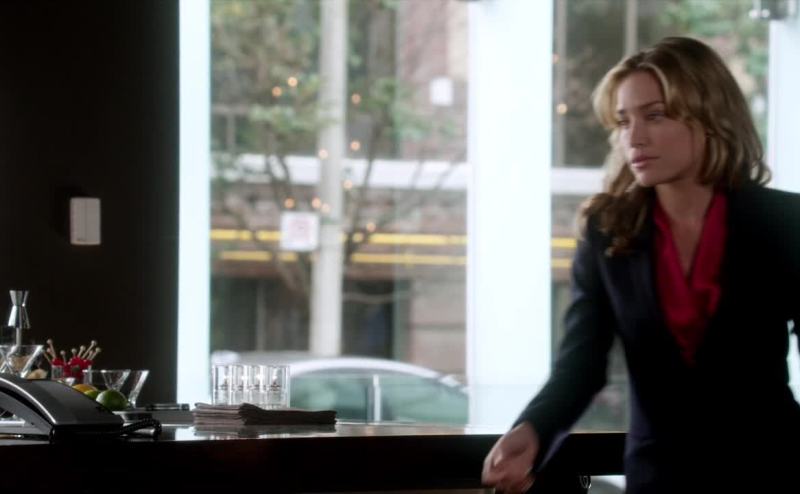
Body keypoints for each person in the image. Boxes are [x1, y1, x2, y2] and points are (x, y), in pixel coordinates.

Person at [482, 36, 800, 493]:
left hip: (774, 471)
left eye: (655, 115)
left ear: (710, 117)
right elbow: (581, 362)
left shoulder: (785, 222)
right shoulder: (608, 230)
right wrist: (533, 429)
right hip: (658, 479)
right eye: (623, 120)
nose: (634, 138)